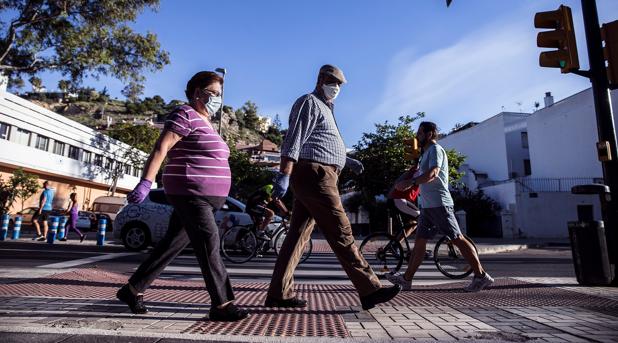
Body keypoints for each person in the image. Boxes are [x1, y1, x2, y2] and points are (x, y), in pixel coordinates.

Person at [266, 64, 401, 311]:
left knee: (297, 236)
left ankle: (279, 293)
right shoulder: (309, 102)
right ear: (320, 79)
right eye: (332, 81)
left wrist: (346, 160)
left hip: (319, 173)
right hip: (315, 175)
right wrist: (284, 173)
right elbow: (294, 139)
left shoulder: (327, 108)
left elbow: (319, 141)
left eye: (339, 84)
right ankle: (370, 289)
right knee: (342, 231)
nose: (336, 87)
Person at [116, 71, 248, 322]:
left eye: (220, 95)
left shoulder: (206, 121)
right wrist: (146, 182)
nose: (218, 99)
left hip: (205, 197)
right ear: (198, 92)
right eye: (214, 94)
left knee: (171, 244)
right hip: (191, 193)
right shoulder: (184, 113)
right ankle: (222, 304)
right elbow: (162, 147)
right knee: (210, 244)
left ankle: (132, 290)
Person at [386, 121, 494, 292]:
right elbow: (423, 173)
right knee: (420, 242)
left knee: (457, 238)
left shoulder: (436, 150)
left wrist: (411, 182)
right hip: (428, 206)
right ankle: (406, 279)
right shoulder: (425, 154)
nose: (417, 136)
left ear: (430, 134)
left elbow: (433, 173)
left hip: (439, 203)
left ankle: (481, 276)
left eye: (420, 133)